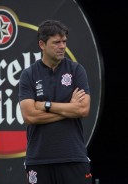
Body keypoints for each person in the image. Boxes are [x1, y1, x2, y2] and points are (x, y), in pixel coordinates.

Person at [19, 19, 92, 184]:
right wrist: (69, 109)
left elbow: (82, 110)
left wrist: (46, 105)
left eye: (64, 42)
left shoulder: (76, 70)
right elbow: (30, 116)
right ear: (42, 44)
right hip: (39, 159)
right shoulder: (29, 74)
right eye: (56, 42)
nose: (62, 46)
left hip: (73, 157)